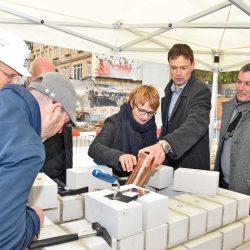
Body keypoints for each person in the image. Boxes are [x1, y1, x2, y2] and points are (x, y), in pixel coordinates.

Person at [0, 72, 76, 249]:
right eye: (63, 124)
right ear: (56, 109)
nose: (59, 132)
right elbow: (7, 240)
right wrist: (34, 218)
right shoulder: (28, 147)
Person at [140, 44, 211, 170]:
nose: (178, 73)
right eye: (173, 68)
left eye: (183, 68)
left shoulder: (201, 90)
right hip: (169, 165)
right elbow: (167, 127)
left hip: (191, 166)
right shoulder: (169, 90)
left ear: (193, 65)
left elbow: (195, 124)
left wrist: (164, 145)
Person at [88, 85, 160, 177]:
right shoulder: (115, 123)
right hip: (115, 179)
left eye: (150, 113)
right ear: (132, 103)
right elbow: (94, 148)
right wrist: (119, 156)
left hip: (143, 178)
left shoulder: (151, 124)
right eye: (142, 111)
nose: (145, 117)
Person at [28, 57, 73, 183]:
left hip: (58, 178)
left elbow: (66, 145)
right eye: (44, 78)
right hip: (36, 180)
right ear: (30, 79)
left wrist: (67, 177)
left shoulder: (60, 98)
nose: (50, 84)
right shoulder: (19, 110)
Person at [214, 64, 250, 195]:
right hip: (222, 185)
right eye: (239, 82)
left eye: (247, 84)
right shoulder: (229, 107)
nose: (241, 88)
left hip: (245, 191)